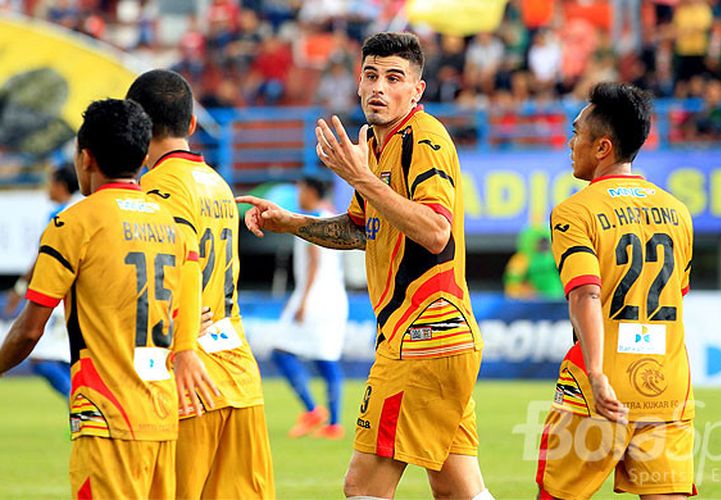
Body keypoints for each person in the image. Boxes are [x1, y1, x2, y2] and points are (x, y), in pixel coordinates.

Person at [238, 32, 491, 499]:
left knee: (363, 487)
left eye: (394, 78)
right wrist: (292, 222)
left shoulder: (424, 138)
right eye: (371, 75)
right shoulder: (374, 145)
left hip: (424, 336)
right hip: (436, 341)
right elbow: (359, 230)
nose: (379, 87)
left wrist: (361, 178)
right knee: (458, 490)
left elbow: (436, 231)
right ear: (357, 82)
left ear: (416, 91)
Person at [0, 98, 215, 498]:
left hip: (105, 417)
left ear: (86, 158)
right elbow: (190, 313)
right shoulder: (174, 227)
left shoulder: (72, 224)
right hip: (163, 415)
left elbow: (30, 331)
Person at [536, 82, 695, 499]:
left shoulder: (575, 211)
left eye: (577, 132)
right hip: (667, 384)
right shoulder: (678, 212)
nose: (571, 143)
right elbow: (678, 295)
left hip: (601, 386)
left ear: (602, 146)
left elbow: (585, 294)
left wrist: (596, 373)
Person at [127, 69, 274, 499]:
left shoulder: (157, 187)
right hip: (240, 375)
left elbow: (176, 267)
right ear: (191, 125)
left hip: (189, 380)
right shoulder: (218, 184)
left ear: (138, 122)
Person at [272, 176, 348, 440]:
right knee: (326, 359)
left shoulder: (309, 221)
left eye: (300, 189)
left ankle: (313, 410)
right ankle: (334, 423)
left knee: (281, 352)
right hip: (335, 297)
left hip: (315, 297)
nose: (297, 194)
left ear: (311, 191)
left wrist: (302, 300)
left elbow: (314, 261)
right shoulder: (333, 216)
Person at [3, 166, 82, 399]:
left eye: (51, 182)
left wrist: (19, 289)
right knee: (68, 358)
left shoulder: (61, 215)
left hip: (63, 294)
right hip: (78, 293)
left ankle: (78, 403)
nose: (48, 187)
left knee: (41, 358)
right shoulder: (81, 206)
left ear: (61, 185)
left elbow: (43, 257)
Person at [503, 224, 564, 300]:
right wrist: (523, 293)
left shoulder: (556, 256)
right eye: (541, 242)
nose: (544, 245)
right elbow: (513, 283)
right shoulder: (522, 260)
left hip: (557, 299)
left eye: (546, 242)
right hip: (533, 302)